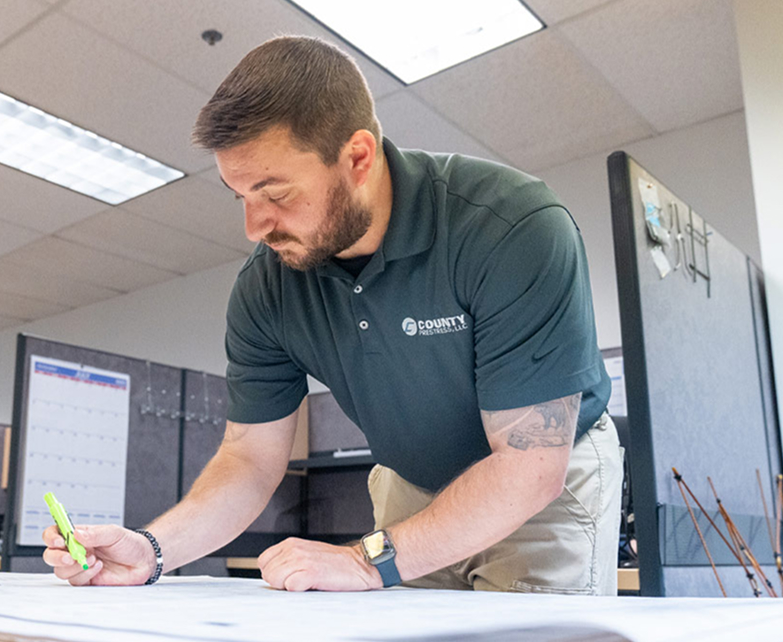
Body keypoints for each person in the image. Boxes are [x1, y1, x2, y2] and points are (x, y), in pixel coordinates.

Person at [43, 36, 622, 595]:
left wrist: (366, 562)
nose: (254, 227)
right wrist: (152, 549)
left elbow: (529, 467)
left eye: (275, 193)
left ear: (358, 158)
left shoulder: (509, 227)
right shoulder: (267, 287)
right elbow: (249, 458)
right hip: (409, 483)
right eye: (240, 196)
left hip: (544, 483)